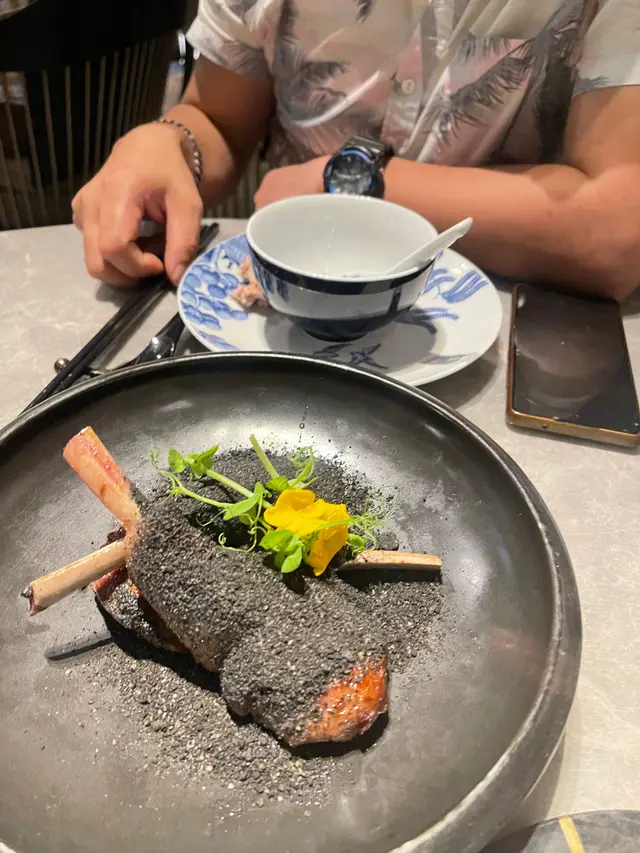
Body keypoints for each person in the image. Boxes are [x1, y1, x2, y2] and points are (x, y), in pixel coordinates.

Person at [72, 0, 640, 300]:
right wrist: (170, 140)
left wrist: (347, 180)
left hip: (500, 329)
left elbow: (615, 229)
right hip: (284, 317)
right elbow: (217, 119)